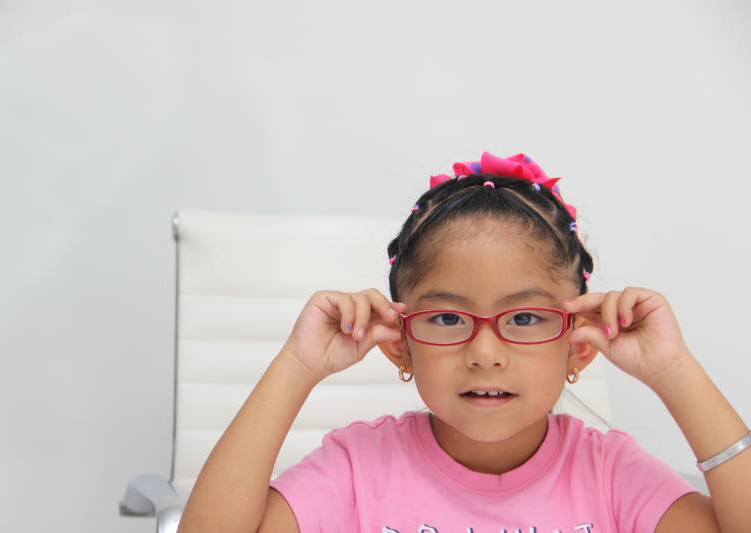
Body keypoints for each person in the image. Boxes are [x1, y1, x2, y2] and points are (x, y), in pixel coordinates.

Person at [177, 151, 749, 533]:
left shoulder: (610, 472)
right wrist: (297, 365)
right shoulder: (357, 469)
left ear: (578, 347)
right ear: (401, 344)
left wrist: (675, 371)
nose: (485, 353)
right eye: (448, 319)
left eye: (524, 319)